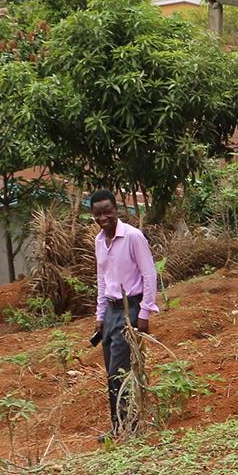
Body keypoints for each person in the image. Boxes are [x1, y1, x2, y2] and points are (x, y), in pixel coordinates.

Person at [90, 189, 158, 442]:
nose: (103, 217)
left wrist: (145, 312)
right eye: (98, 214)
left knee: (122, 368)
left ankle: (129, 427)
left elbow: (149, 274)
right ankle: (119, 425)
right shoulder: (99, 241)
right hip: (111, 310)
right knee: (112, 370)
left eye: (107, 211)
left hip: (131, 308)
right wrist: (99, 314)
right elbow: (101, 278)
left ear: (116, 210)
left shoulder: (132, 237)